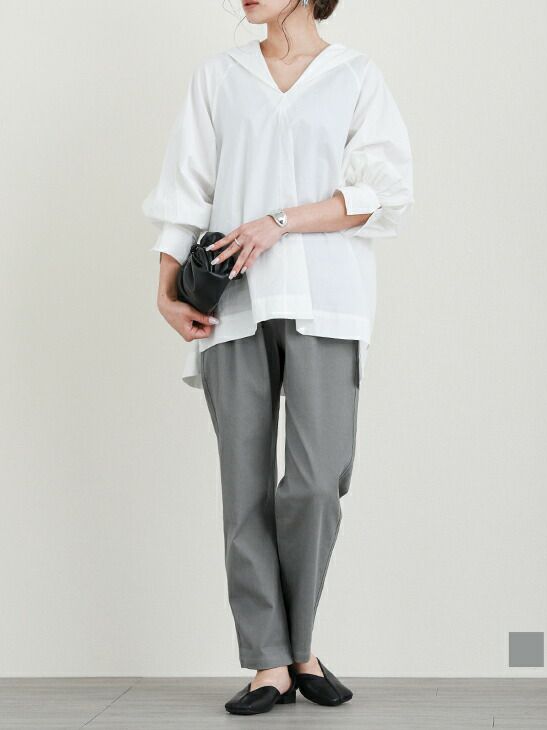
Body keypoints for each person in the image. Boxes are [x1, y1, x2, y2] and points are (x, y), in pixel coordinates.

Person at [142, 0, 414, 716]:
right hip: (232, 304)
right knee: (245, 490)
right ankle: (273, 661)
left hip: (328, 299)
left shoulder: (355, 76)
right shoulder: (218, 77)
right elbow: (186, 190)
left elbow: (382, 196)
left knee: (318, 483)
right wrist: (165, 291)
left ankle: (300, 645)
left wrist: (279, 223)